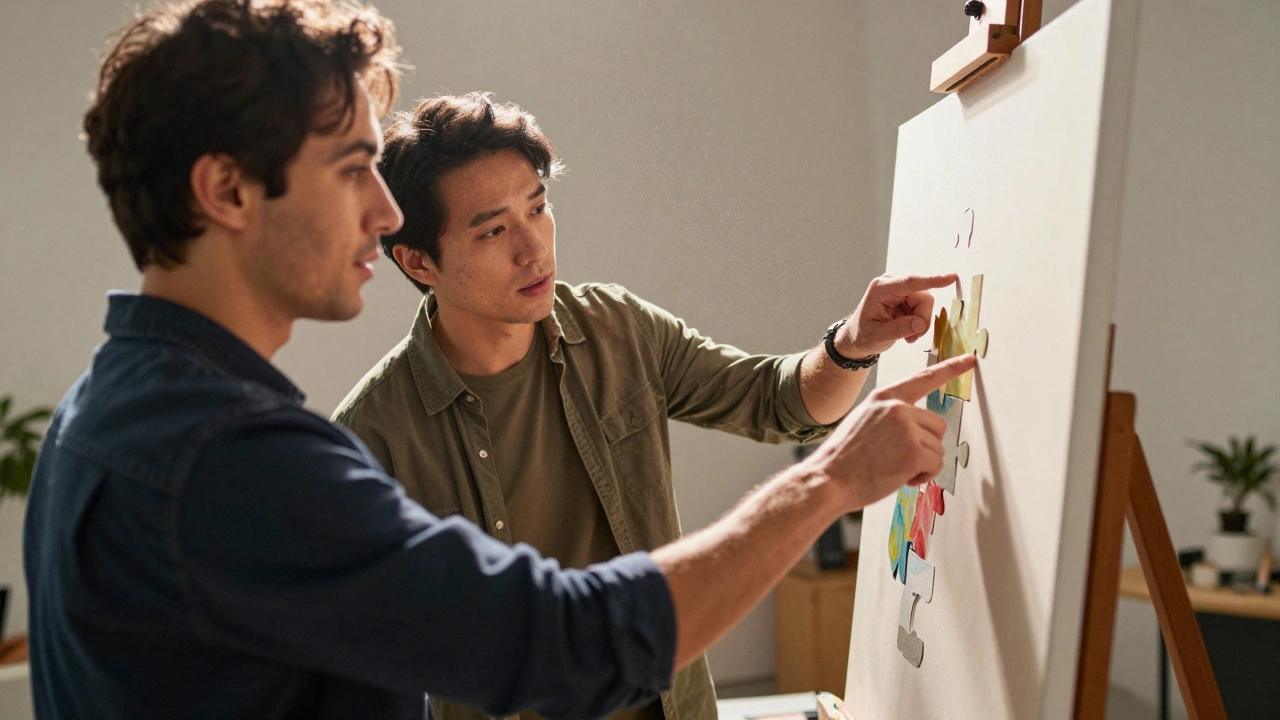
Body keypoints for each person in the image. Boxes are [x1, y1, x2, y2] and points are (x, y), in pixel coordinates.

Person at [22, 1, 976, 718]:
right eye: (352, 169)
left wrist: (847, 355)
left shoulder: (101, 414)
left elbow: (772, 396)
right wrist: (828, 484)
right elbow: (557, 639)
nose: (385, 211)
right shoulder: (240, 459)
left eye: (536, 208)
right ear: (226, 189)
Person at [333, 93, 958, 720]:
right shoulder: (369, 438)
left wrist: (854, 343)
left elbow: (778, 400)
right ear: (418, 261)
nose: (533, 248)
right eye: (494, 230)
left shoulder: (616, 328)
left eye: (539, 208)